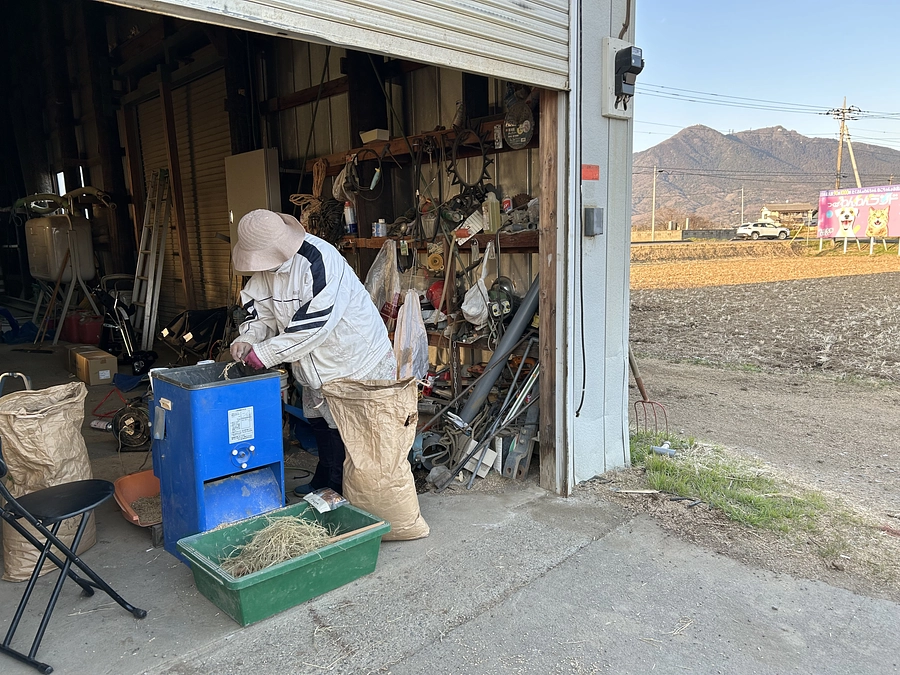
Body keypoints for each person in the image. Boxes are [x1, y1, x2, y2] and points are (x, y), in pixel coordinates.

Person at [229, 209, 396, 496]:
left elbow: (314, 325)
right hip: (312, 361)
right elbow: (260, 312)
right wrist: (248, 337)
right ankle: (326, 477)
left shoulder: (319, 259)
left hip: (353, 358)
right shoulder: (266, 271)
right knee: (320, 419)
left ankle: (344, 489)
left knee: (349, 429)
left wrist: (265, 353)